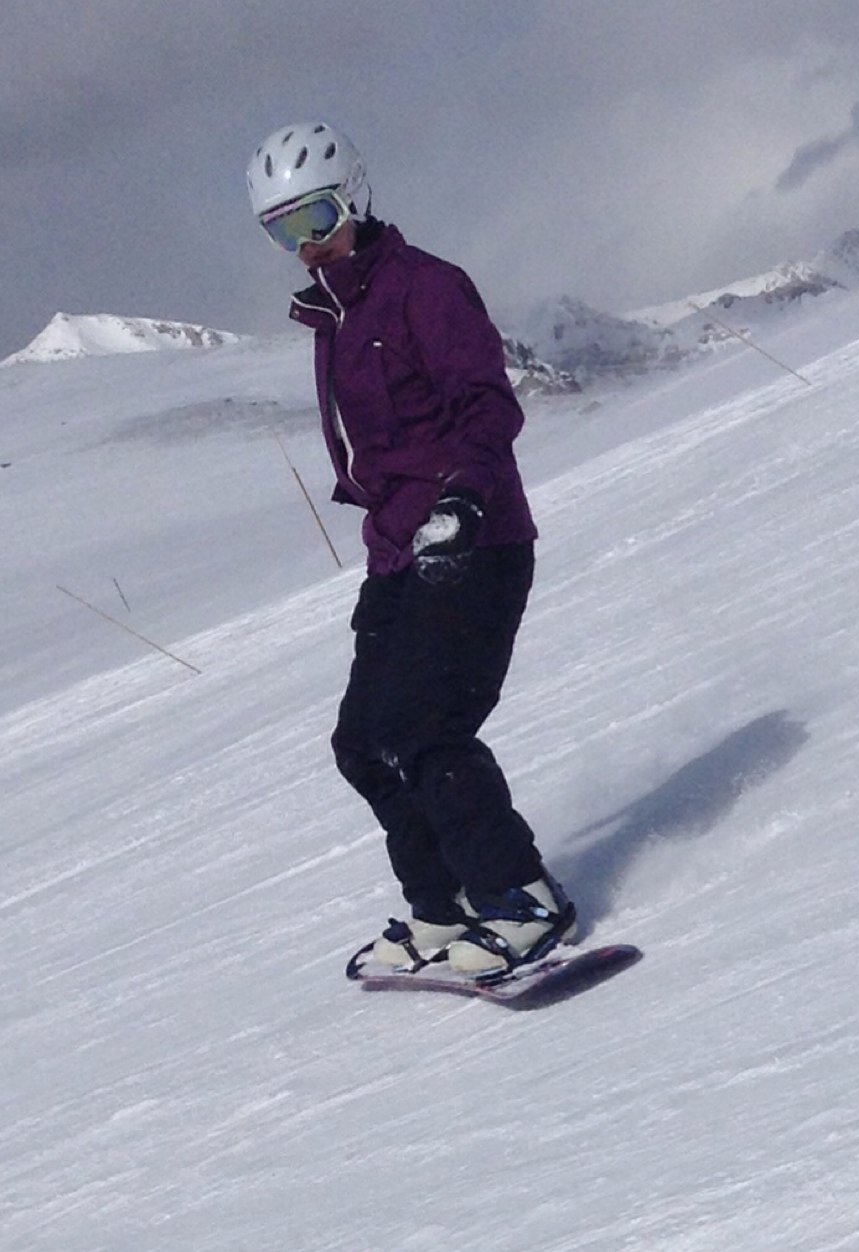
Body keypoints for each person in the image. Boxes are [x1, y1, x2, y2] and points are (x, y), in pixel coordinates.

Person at [246, 122, 575, 976]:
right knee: (362, 742)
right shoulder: (338, 316)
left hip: (475, 539)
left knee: (427, 727)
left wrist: (462, 500)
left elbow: (487, 406)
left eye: (317, 218)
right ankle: (446, 908)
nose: (307, 244)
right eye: (285, 230)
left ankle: (520, 898)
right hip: (398, 549)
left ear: (353, 193)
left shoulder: (425, 289)